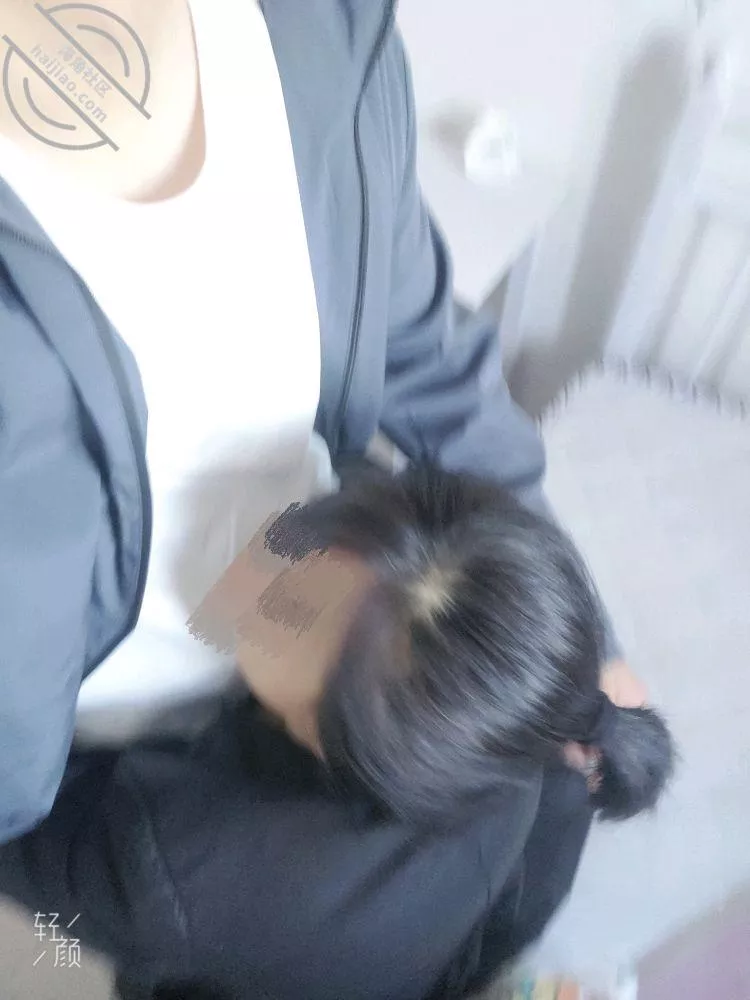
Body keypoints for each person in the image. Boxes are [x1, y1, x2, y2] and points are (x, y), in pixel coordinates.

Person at [0, 467, 675, 1000]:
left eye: (286, 605)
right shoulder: (517, 707)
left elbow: (18, 828)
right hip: (470, 924)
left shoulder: (180, 865)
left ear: (323, 737)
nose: (261, 567)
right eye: (313, 534)